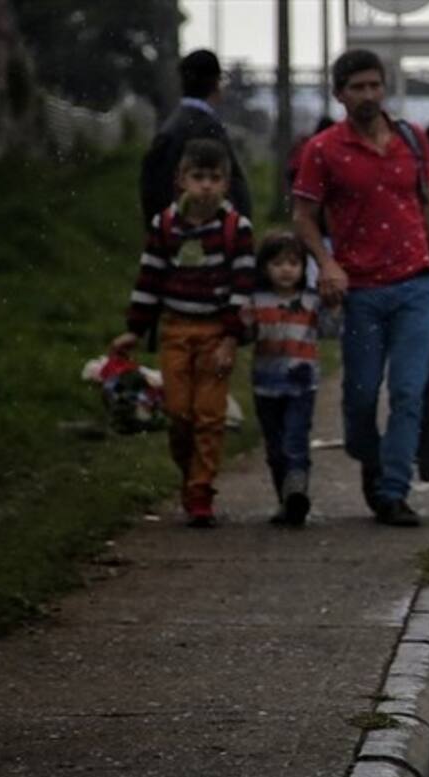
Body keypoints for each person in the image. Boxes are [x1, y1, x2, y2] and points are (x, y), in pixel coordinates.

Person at [292, 48, 429, 528]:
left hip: (416, 285)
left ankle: (394, 491)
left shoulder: (410, 138)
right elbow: (303, 216)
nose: (368, 95)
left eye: (374, 85)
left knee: (409, 391)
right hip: (361, 292)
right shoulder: (323, 150)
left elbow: (428, 206)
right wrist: (326, 263)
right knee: (363, 396)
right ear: (339, 94)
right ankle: (371, 460)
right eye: (357, 88)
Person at [111, 138, 256, 527]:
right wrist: (134, 331)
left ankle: (200, 491)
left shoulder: (235, 228)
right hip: (176, 330)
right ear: (181, 180)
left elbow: (242, 289)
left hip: (215, 335)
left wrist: (230, 340)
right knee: (178, 414)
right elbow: (150, 278)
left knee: (209, 416)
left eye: (215, 178)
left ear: (226, 183)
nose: (206, 186)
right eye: (198, 177)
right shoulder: (165, 225)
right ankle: (189, 474)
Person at [243, 231, 323, 527]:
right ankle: (285, 499)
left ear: (304, 268)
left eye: (293, 263)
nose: (286, 269)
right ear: (264, 267)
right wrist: (245, 325)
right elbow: (245, 335)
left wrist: (336, 304)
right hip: (266, 383)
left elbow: (330, 328)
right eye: (277, 263)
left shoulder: (312, 301)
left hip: (302, 384)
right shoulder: (256, 301)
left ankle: (296, 492)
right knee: (275, 446)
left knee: (295, 440)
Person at [140, 48, 252, 226]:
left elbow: (153, 192)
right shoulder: (208, 129)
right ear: (216, 83)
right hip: (210, 238)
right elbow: (235, 188)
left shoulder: (170, 129)